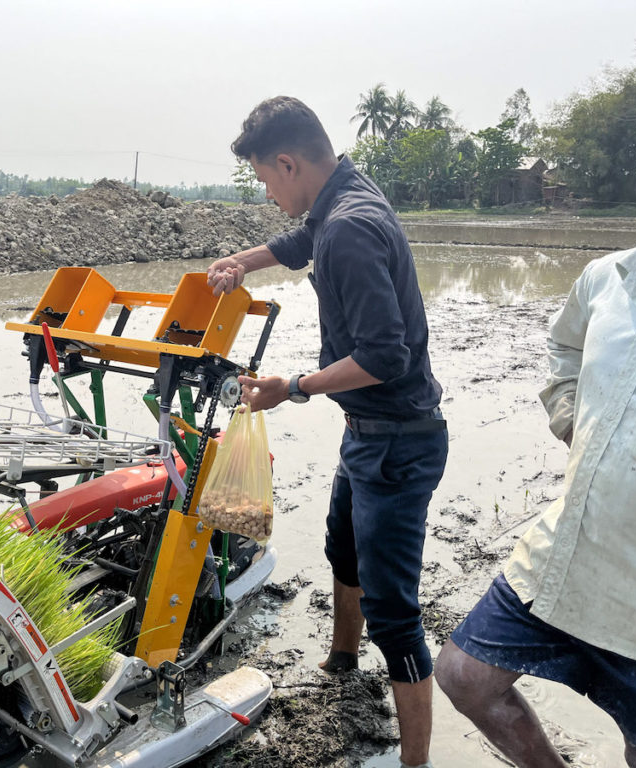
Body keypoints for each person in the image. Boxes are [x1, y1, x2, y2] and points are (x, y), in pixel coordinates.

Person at [434, 77, 636, 768]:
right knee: (464, 677)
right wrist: (571, 413)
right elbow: (563, 345)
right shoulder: (608, 280)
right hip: (570, 560)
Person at [208, 96, 447, 768]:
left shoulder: (350, 227)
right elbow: (299, 239)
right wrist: (241, 263)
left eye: (264, 179)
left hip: (398, 441)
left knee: (396, 614)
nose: (266, 192)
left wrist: (295, 387)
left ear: (288, 163)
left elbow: (384, 355)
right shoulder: (343, 195)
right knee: (343, 546)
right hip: (371, 433)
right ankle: (344, 656)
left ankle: (416, 761)